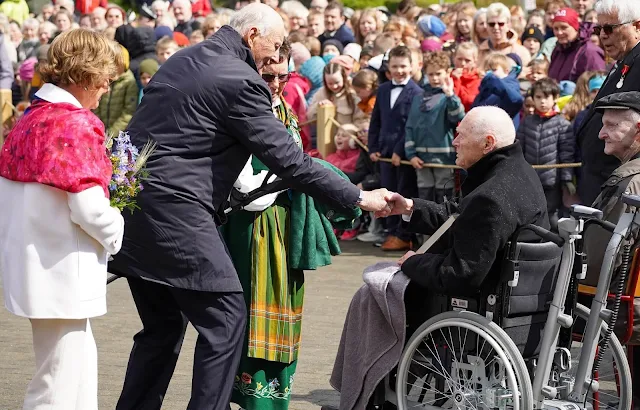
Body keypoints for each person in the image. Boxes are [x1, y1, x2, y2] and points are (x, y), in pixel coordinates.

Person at [108, 5, 392, 410]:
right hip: (179, 215)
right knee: (226, 320)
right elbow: (292, 162)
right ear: (253, 33)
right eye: (274, 45)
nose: (274, 57)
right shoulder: (240, 79)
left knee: (162, 327)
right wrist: (359, 197)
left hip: (136, 210)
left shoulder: (183, 59)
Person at [330, 106, 549, 410]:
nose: (454, 142)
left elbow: (460, 275)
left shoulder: (492, 195)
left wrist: (411, 262)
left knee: (373, 294)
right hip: (516, 302)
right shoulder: (516, 174)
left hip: (478, 304)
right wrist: (408, 206)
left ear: (487, 143)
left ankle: (366, 391)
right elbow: (460, 218)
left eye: (460, 136)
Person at [0, 28, 125, 410]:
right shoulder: (73, 122)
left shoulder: (31, 115)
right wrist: (117, 227)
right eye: (104, 76)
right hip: (61, 269)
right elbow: (88, 207)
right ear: (84, 75)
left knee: (76, 374)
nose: (107, 85)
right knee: (56, 387)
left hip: (35, 263)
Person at [583, 92, 640, 405]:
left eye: (610, 125)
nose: (601, 133)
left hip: (622, 305)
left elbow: (595, 263)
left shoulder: (628, 182)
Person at [576, 0, 640, 205]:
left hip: (621, 184)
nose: (602, 35)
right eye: (599, 28)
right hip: (601, 181)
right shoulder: (623, 62)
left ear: (637, 26)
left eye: (609, 28)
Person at [368, 45, 422, 252]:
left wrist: (400, 150)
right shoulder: (382, 90)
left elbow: (412, 125)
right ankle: (390, 231)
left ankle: (404, 234)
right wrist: (373, 147)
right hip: (383, 153)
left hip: (404, 155)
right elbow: (376, 121)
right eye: (395, 66)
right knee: (386, 190)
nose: (399, 71)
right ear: (388, 67)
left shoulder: (417, 92)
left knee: (404, 192)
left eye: (403, 66)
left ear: (412, 66)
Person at [405, 51, 465, 203]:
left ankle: (445, 226)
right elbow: (410, 127)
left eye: (438, 73)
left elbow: (458, 117)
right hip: (421, 158)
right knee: (424, 195)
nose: (435, 78)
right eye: (431, 74)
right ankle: (426, 226)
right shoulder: (418, 98)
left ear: (447, 73)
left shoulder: (448, 98)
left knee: (443, 195)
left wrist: (451, 95)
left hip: (443, 158)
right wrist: (411, 154)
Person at [516, 78, 574, 230]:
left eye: (546, 97)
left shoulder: (562, 124)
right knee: (530, 214)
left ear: (555, 98)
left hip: (552, 182)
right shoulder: (527, 122)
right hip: (530, 179)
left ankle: (554, 247)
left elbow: (567, 154)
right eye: (538, 97)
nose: (542, 101)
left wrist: (567, 178)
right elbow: (519, 150)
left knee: (551, 216)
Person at [547, 8, 605, 83]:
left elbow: (597, 85)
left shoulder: (589, 52)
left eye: (564, 27)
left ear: (575, 27)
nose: (559, 32)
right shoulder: (558, 50)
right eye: (555, 28)